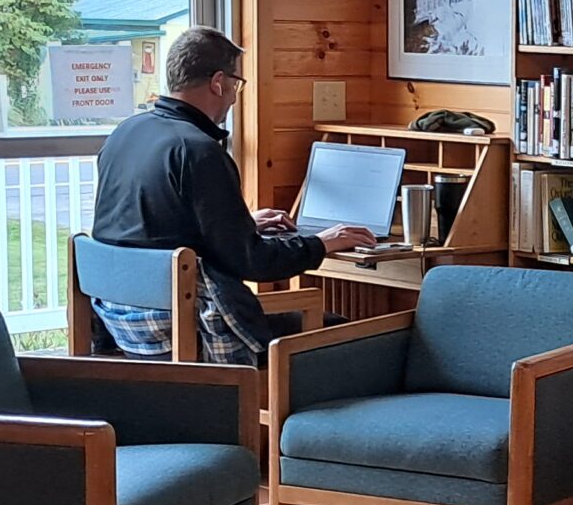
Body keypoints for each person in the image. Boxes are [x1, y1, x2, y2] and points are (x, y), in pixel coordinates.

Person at [89, 27, 374, 364]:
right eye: (236, 84)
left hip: (124, 327)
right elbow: (252, 261)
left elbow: (146, 228)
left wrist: (240, 223)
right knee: (349, 336)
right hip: (184, 330)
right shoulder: (199, 151)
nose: (235, 98)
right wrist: (322, 243)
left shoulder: (125, 133)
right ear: (218, 82)